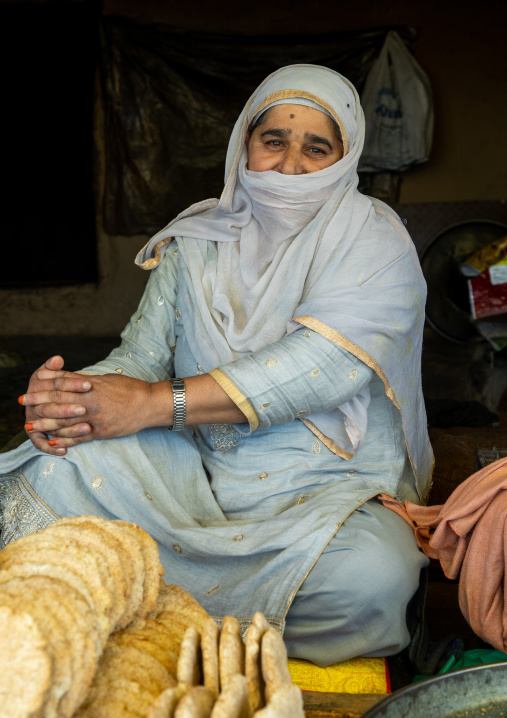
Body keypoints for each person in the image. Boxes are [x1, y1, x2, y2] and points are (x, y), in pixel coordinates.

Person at [0, 64, 433, 665]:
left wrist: (153, 405)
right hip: (191, 472)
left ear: (344, 157)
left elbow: (322, 367)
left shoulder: (376, 242)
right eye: (273, 141)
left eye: (316, 148)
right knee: (54, 471)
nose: (289, 165)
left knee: (376, 578)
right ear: (244, 145)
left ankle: (141, 611)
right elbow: (142, 358)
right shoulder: (197, 241)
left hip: (320, 494)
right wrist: (79, 399)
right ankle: (194, 619)